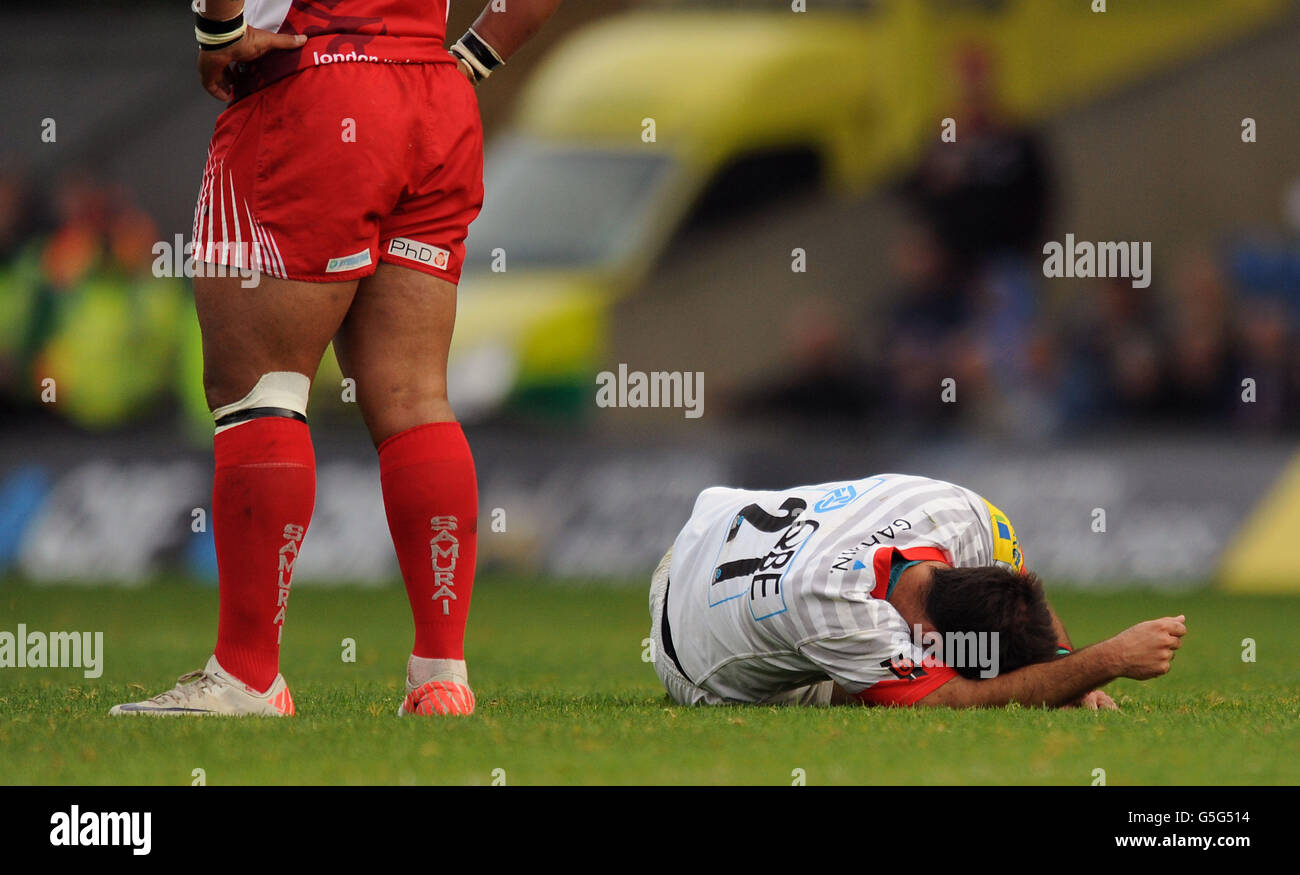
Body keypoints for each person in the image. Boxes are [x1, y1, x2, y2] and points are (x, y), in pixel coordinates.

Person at [111, 0, 563, 718]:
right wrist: (473, 56)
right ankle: (442, 673)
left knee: (259, 386)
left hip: (311, 81)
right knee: (415, 396)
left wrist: (220, 31)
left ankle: (247, 675)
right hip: (431, 94)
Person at [648, 473, 1185, 709]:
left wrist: (1065, 664)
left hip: (714, 519)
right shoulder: (838, 608)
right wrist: (1105, 660)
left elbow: (1024, 597)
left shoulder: (967, 515)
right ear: (928, 641)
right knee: (874, 697)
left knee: (868, 679)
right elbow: (957, 699)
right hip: (685, 647)